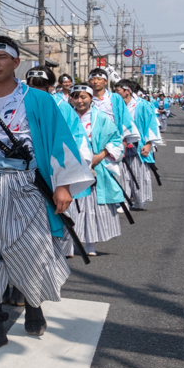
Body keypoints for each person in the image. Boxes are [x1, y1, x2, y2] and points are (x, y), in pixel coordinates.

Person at [0, 35, 94, 350]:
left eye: (2, 58)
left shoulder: (40, 101)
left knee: (29, 253)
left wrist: (63, 185)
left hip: (26, 186)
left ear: (16, 62)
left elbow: (59, 142)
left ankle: (34, 305)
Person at [65, 83, 123, 257]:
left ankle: (90, 244)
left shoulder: (102, 118)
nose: (80, 101)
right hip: (71, 166)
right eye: (76, 97)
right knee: (69, 207)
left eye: (83, 97)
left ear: (91, 98)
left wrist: (102, 155)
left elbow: (116, 139)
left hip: (96, 167)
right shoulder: (65, 117)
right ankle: (68, 246)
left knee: (91, 208)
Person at [115, 78, 161, 210]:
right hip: (121, 143)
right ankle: (123, 201)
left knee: (138, 172)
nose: (115, 94)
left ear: (127, 91)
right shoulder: (117, 105)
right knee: (122, 174)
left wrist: (148, 144)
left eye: (118, 91)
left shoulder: (143, 105)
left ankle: (139, 200)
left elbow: (151, 125)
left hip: (138, 144)